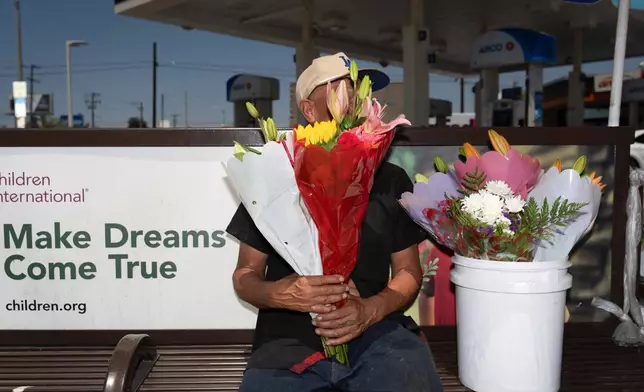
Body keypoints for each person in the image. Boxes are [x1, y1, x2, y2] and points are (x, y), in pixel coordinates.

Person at [226, 52, 443, 392]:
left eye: (360, 91)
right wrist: (282, 294)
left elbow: (408, 272)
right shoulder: (276, 176)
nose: (354, 100)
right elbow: (244, 277)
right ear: (309, 110)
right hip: (286, 343)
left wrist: (370, 309)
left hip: (377, 334)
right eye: (339, 91)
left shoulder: (389, 178)